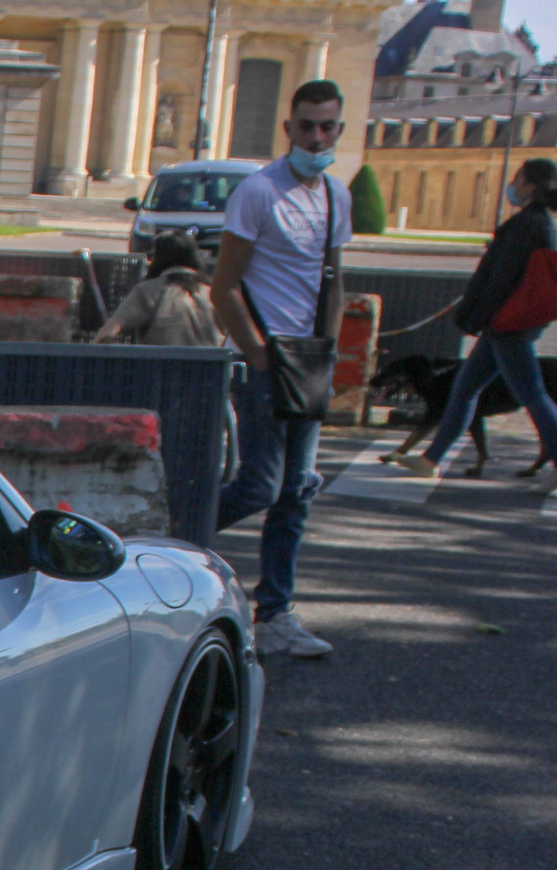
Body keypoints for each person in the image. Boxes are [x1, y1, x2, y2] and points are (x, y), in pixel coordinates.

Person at [212, 79, 349, 660]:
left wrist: (331, 351)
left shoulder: (336, 197)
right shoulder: (259, 192)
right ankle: (171, 536)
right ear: (288, 128)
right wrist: (258, 353)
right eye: (306, 125)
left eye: (327, 126)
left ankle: (276, 611)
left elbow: (334, 280)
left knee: (298, 491)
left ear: (339, 130)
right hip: (268, 357)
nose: (316, 136)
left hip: (310, 359)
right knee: (261, 484)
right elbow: (224, 287)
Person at [391, 157, 557, 490]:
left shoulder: (527, 225)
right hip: (509, 322)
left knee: (530, 393)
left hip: (507, 324)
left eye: (519, 178)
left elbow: (502, 279)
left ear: (531, 186)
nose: (514, 184)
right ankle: (430, 459)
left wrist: (474, 317)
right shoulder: (539, 223)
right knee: (465, 387)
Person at [94, 231, 218, 346]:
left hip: (161, 367)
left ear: (157, 258)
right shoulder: (213, 293)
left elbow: (107, 333)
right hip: (214, 367)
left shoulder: (148, 291)